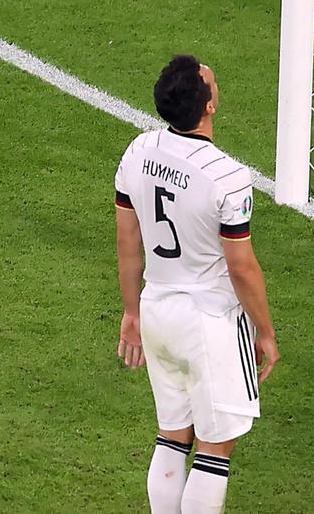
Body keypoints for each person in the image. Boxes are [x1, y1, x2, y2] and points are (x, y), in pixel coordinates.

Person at [114, 55, 281, 512]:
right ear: (208, 105)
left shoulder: (138, 152)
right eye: (211, 78)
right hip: (209, 323)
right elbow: (242, 268)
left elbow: (128, 243)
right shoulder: (228, 177)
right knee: (214, 447)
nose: (214, 78)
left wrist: (132, 312)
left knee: (172, 436)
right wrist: (265, 331)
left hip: (157, 311)